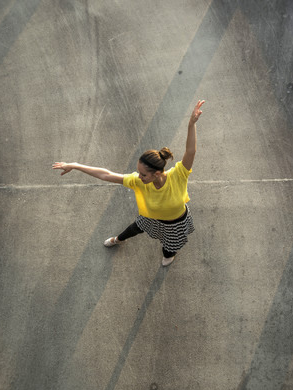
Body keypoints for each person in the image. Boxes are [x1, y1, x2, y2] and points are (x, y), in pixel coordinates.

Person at [52, 99, 205, 266]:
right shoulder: (137, 181)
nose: (138, 177)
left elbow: (191, 151)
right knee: (134, 228)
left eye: (143, 174)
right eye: (138, 172)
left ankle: (169, 255)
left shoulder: (178, 175)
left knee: (170, 247)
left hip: (176, 223)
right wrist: (75, 165)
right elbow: (106, 175)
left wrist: (191, 124)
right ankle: (118, 239)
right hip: (151, 218)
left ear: (157, 173)